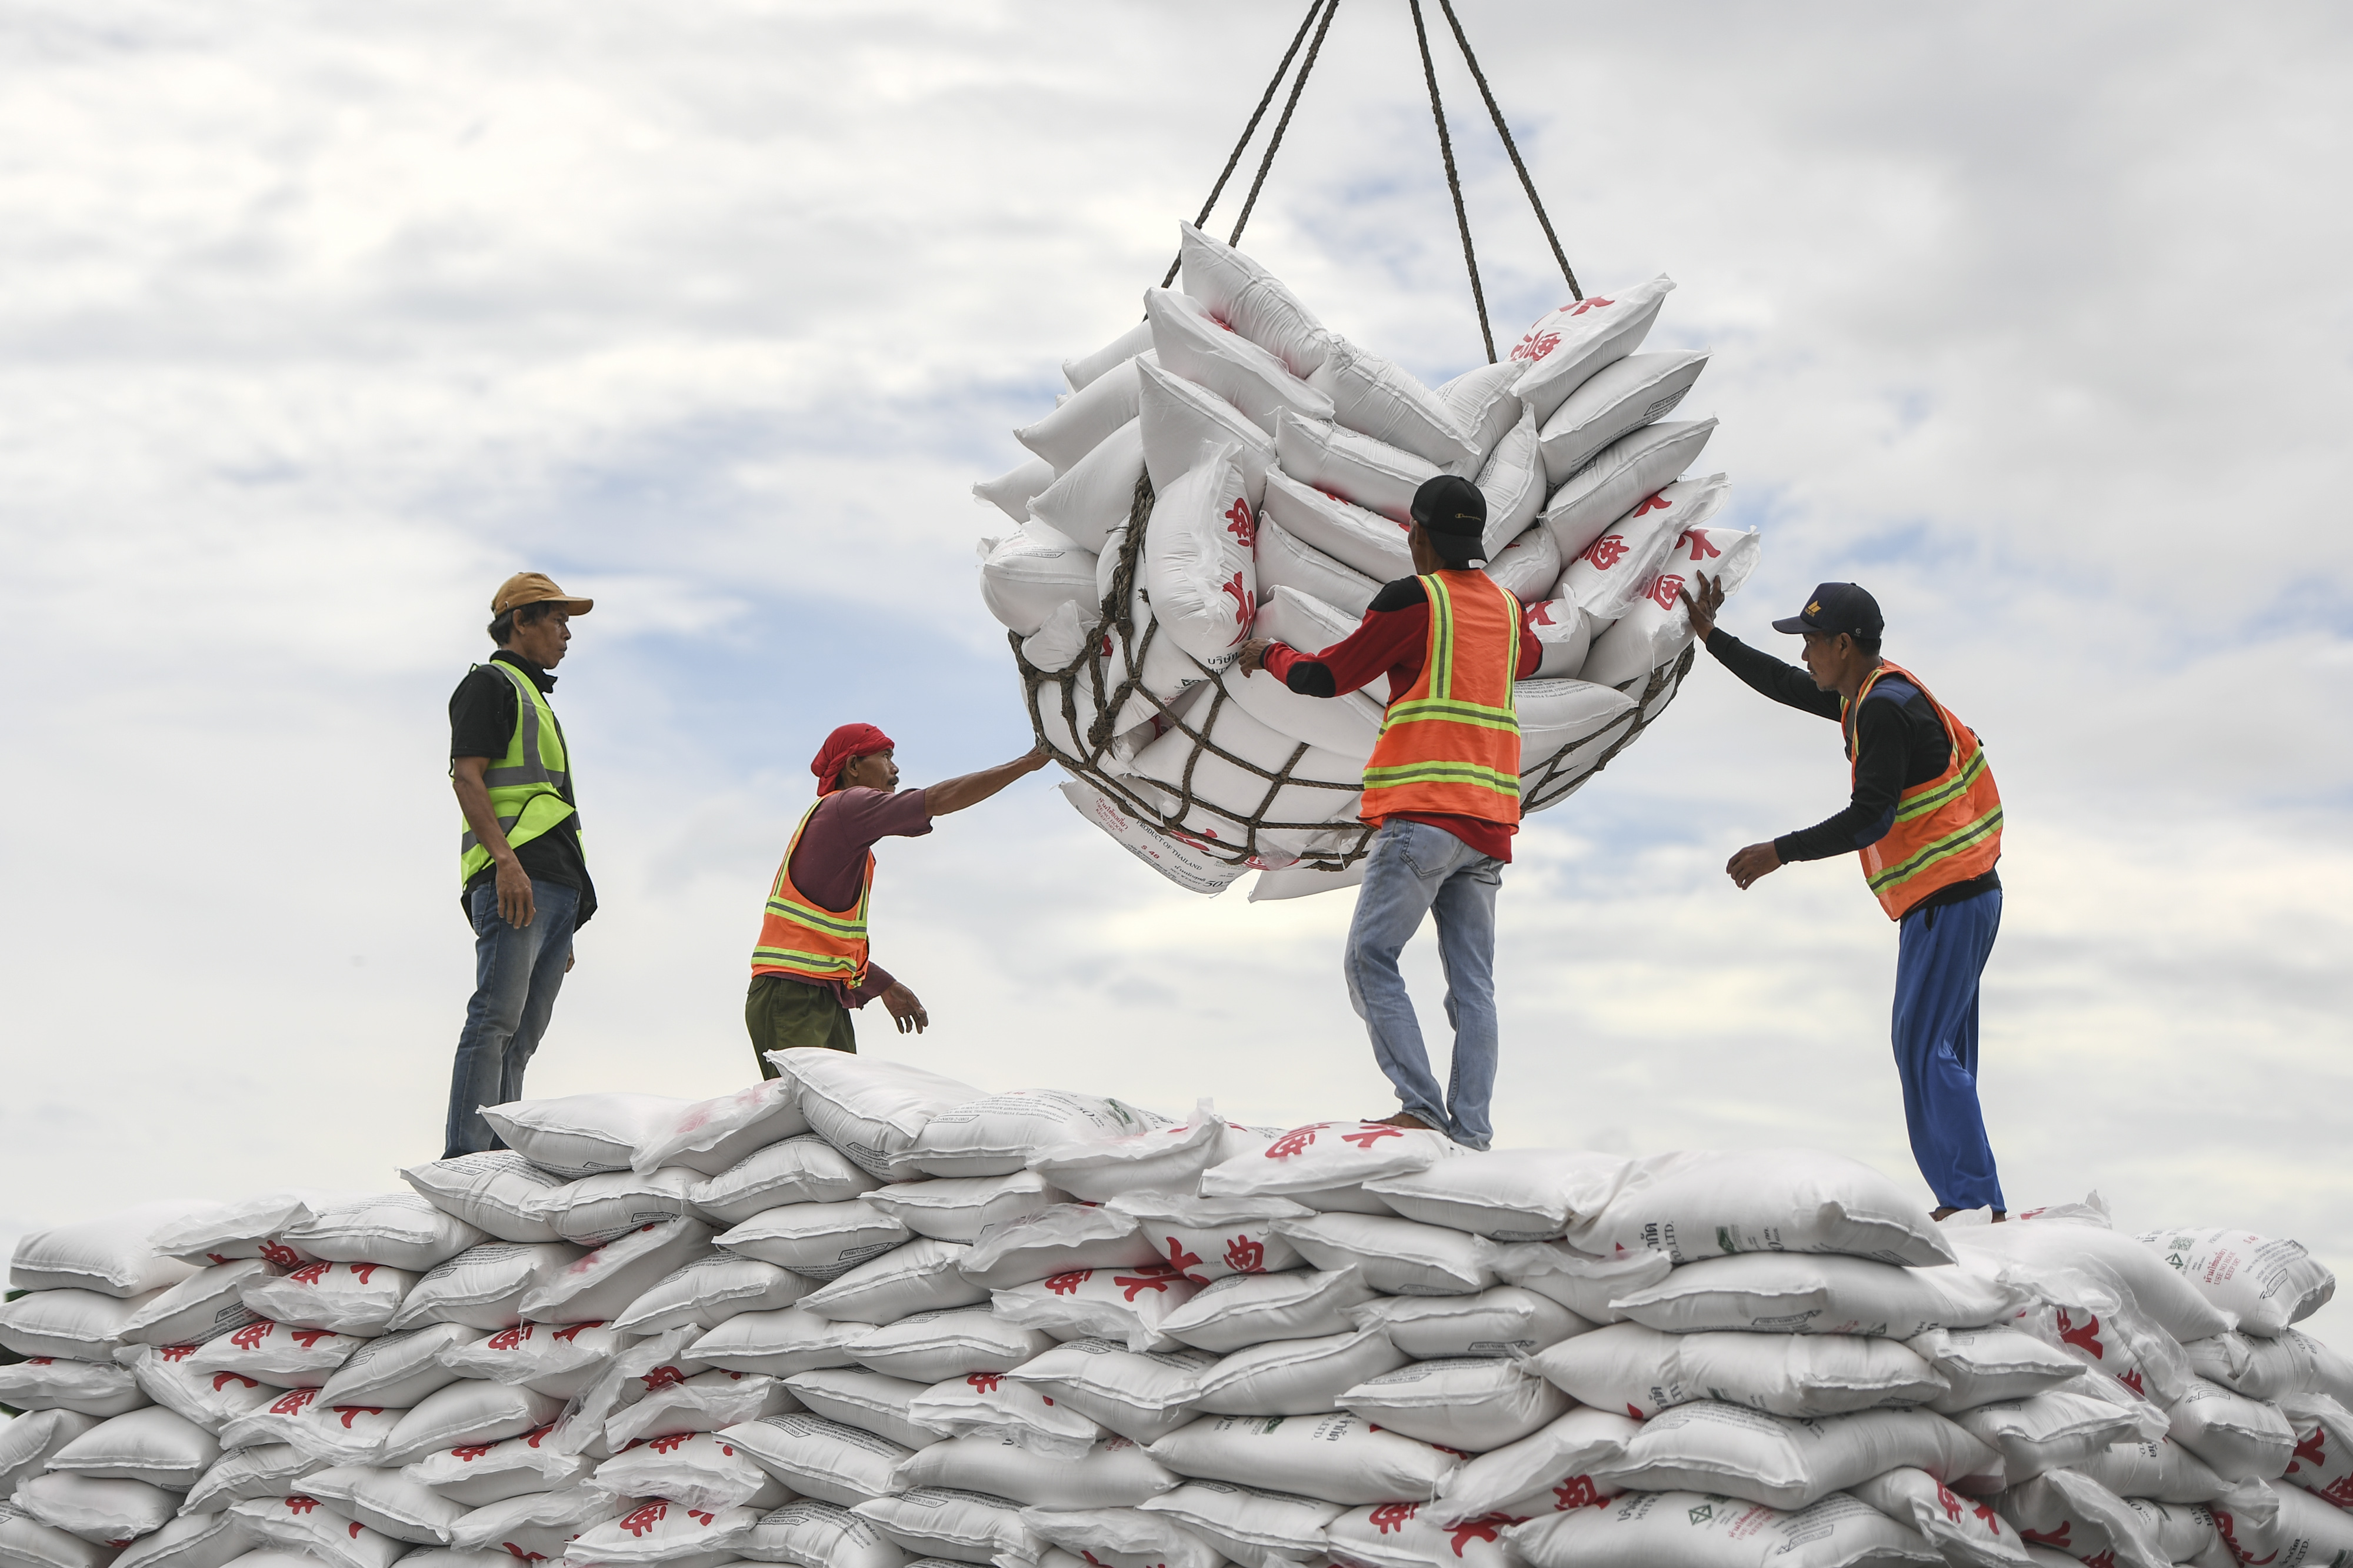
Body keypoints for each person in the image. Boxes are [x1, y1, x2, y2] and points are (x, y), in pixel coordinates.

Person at [1682, 575, 2008, 1219]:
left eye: (1810, 642)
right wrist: (1713, 639)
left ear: (1842, 644)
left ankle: (1972, 1200)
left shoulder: (1883, 707)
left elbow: (1870, 818)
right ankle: (1972, 1198)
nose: (1805, 655)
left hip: (1948, 894)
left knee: (1920, 1044)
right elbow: (1783, 684)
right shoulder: (1870, 692)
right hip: (1959, 894)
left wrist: (1779, 850)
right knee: (1939, 1046)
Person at [1238, 475, 1541, 1150]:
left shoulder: (1415, 599)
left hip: (1424, 817)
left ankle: (1421, 1106)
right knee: (1472, 986)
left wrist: (1270, 655)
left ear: (1419, 536)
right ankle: (1472, 1130)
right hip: (1489, 826)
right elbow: (1530, 656)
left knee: (1370, 956)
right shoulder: (1506, 609)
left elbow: (1328, 677)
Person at [746, 724, 1051, 1075]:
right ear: (853, 766)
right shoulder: (848, 806)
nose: (895, 769)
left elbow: (829, 940)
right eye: (886, 756)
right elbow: (935, 800)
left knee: (832, 1113)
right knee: (809, 1111)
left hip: (815, 992)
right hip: (793, 994)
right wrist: (1027, 764)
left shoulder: (843, 827)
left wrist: (883, 984)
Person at [445, 572, 599, 1157]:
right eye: (557, 620)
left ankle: (498, 1156)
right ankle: (465, 1157)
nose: (566, 634)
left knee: (522, 1036)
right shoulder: (489, 685)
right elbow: (467, 775)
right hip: (516, 877)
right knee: (495, 1020)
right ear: (521, 621)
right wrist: (506, 863)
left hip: (554, 886)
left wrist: (568, 922)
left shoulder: (534, 696)